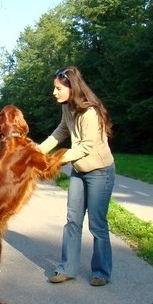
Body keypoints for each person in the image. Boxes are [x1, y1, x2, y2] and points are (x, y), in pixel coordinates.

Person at [38, 66, 115, 286]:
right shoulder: (67, 108)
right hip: (79, 171)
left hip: (100, 172)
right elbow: (60, 131)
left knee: (97, 224)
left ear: (72, 88)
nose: (55, 92)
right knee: (73, 220)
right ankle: (67, 269)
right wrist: (38, 151)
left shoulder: (89, 113)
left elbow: (84, 148)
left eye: (58, 88)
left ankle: (101, 272)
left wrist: (55, 160)